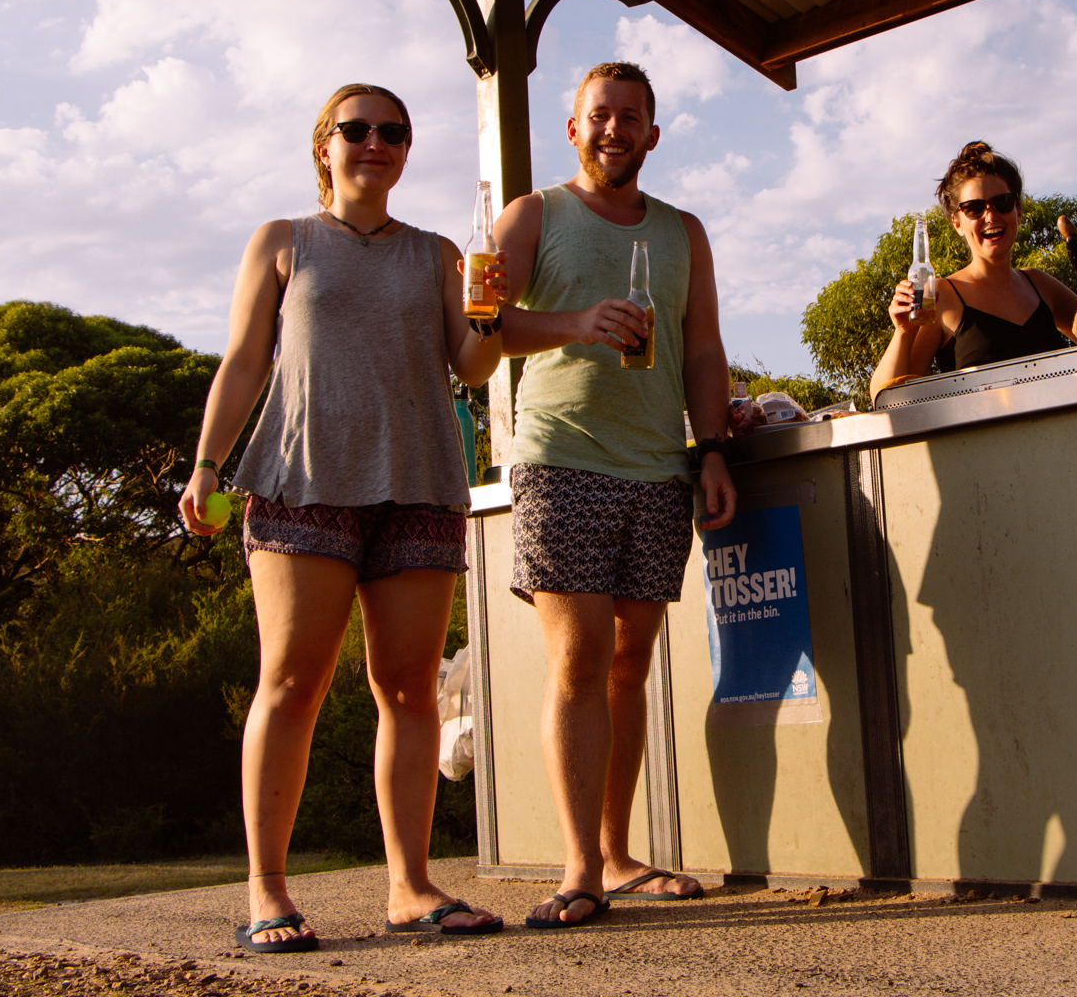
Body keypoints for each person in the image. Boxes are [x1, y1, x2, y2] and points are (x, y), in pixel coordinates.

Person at [179, 84, 506, 954]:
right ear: (324, 145)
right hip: (303, 480)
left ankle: (410, 888)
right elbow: (246, 358)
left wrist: (491, 310)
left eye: (392, 132)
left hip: (417, 483)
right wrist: (208, 462)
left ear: (405, 151)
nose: (375, 142)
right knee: (293, 683)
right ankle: (268, 892)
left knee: (409, 691)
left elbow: (471, 366)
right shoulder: (283, 241)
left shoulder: (438, 253)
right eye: (356, 129)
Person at [491, 60, 736, 928]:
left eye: (630, 116)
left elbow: (704, 352)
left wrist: (709, 451)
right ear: (573, 128)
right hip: (560, 458)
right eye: (598, 114)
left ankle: (619, 852)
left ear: (652, 135)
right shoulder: (533, 216)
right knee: (578, 660)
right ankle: (578, 867)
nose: (613, 129)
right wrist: (572, 322)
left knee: (632, 664)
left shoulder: (683, 232)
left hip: (659, 467)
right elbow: (479, 329)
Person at [869, 142, 1077, 402]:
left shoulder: (1040, 284)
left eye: (1002, 203)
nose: (990, 216)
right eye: (974, 208)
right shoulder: (940, 297)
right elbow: (885, 397)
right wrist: (904, 332)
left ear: (1018, 210)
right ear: (957, 222)